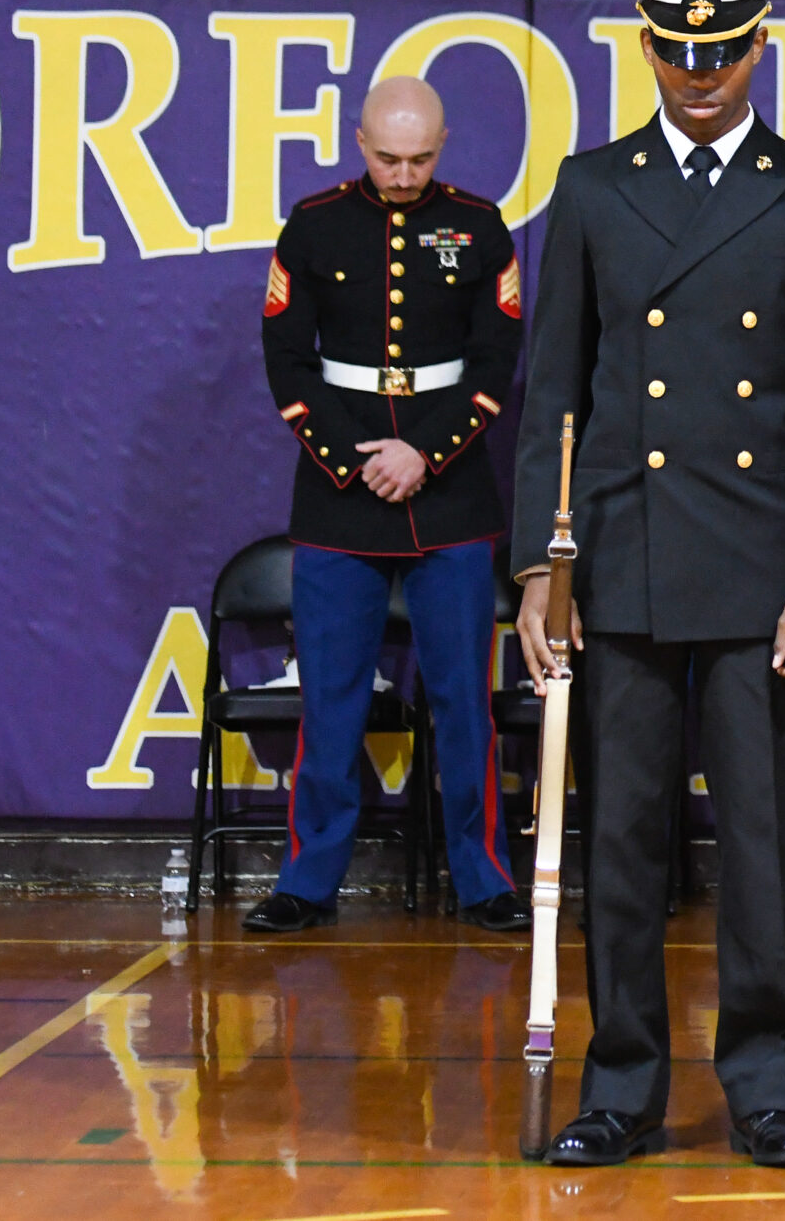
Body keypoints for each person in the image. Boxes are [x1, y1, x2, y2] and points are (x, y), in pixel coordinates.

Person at [512, 0, 785, 1171]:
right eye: (679, 52)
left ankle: (767, 1086)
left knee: (764, 846)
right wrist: (535, 570)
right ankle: (620, 1087)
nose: (702, 75)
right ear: (647, 52)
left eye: (723, 54)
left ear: (760, 52)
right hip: (626, 562)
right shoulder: (595, 188)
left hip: (764, 573)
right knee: (619, 842)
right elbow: (552, 390)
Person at [251, 75, 529, 935]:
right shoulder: (313, 224)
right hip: (342, 495)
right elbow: (287, 360)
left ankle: (483, 877)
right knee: (330, 700)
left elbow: (496, 362)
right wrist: (353, 461)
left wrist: (425, 454)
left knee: (462, 700)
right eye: (387, 157)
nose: (403, 175)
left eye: (420, 159)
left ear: (441, 146)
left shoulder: (481, 228)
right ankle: (307, 880)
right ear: (358, 141)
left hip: (447, 493)